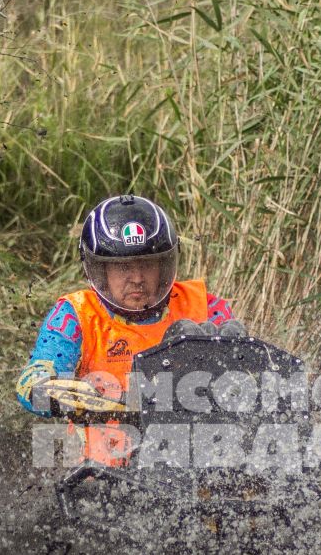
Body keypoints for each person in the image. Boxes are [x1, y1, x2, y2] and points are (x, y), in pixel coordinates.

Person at [16, 194, 238, 464]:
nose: (137, 278)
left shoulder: (206, 307)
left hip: (199, 463)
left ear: (164, 265)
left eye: (146, 264)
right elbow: (33, 377)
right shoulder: (76, 314)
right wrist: (57, 394)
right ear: (100, 270)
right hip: (104, 478)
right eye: (123, 267)